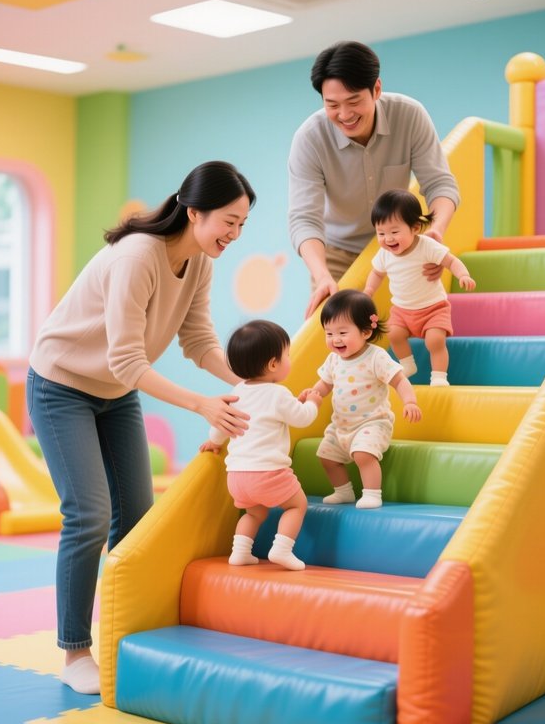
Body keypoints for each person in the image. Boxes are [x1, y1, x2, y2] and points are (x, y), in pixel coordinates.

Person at [27, 161, 255, 695]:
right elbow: (128, 360)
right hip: (61, 384)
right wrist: (203, 405)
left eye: (243, 225)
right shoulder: (137, 257)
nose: (234, 235)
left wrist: (250, 384)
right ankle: (75, 650)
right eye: (228, 221)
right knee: (88, 514)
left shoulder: (200, 263)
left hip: (113, 391)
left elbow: (197, 342)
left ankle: (124, 631)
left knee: (135, 517)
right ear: (193, 210)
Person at [288, 40, 461, 319]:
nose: (344, 115)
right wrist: (321, 275)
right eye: (332, 105)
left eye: (354, 101)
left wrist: (436, 233)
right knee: (334, 337)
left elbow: (440, 184)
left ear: (376, 89)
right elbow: (304, 219)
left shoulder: (409, 115)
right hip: (337, 252)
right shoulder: (309, 138)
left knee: (414, 320)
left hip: (401, 243)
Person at [200, 320, 322, 570]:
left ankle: (240, 552)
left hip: (237, 478)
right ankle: (282, 549)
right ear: (273, 364)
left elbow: (220, 424)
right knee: (297, 505)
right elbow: (302, 417)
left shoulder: (236, 393)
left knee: (254, 513)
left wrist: (214, 442)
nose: (290, 359)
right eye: (287, 355)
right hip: (269, 474)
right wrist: (312, 403)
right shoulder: (278, 394)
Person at [299, 289, 421, 509]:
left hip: (372, 423)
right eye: (329, 333)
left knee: (364, 455)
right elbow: (325, 384)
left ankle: (373, 493)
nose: (335, 339)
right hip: (341, 425)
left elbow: (399, 380)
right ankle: (343, 492)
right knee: (327, 458)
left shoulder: (376, 357)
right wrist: (312, 394)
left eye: (342, 332)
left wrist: (410, 401)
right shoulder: (334, 360)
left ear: (365, 332)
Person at [364, 189, 476, 387]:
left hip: (433, 308)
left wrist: (463, 275)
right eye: (381, 233)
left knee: (434, 341)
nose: (388, 239)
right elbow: (377, 273)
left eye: (394, 232)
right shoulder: (385, 254)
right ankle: (408, 364)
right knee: (393, 334)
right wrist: (369, 291)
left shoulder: (427, 246)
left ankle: (439, 377)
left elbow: (451, 262)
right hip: (402, 310)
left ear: (415, 228)